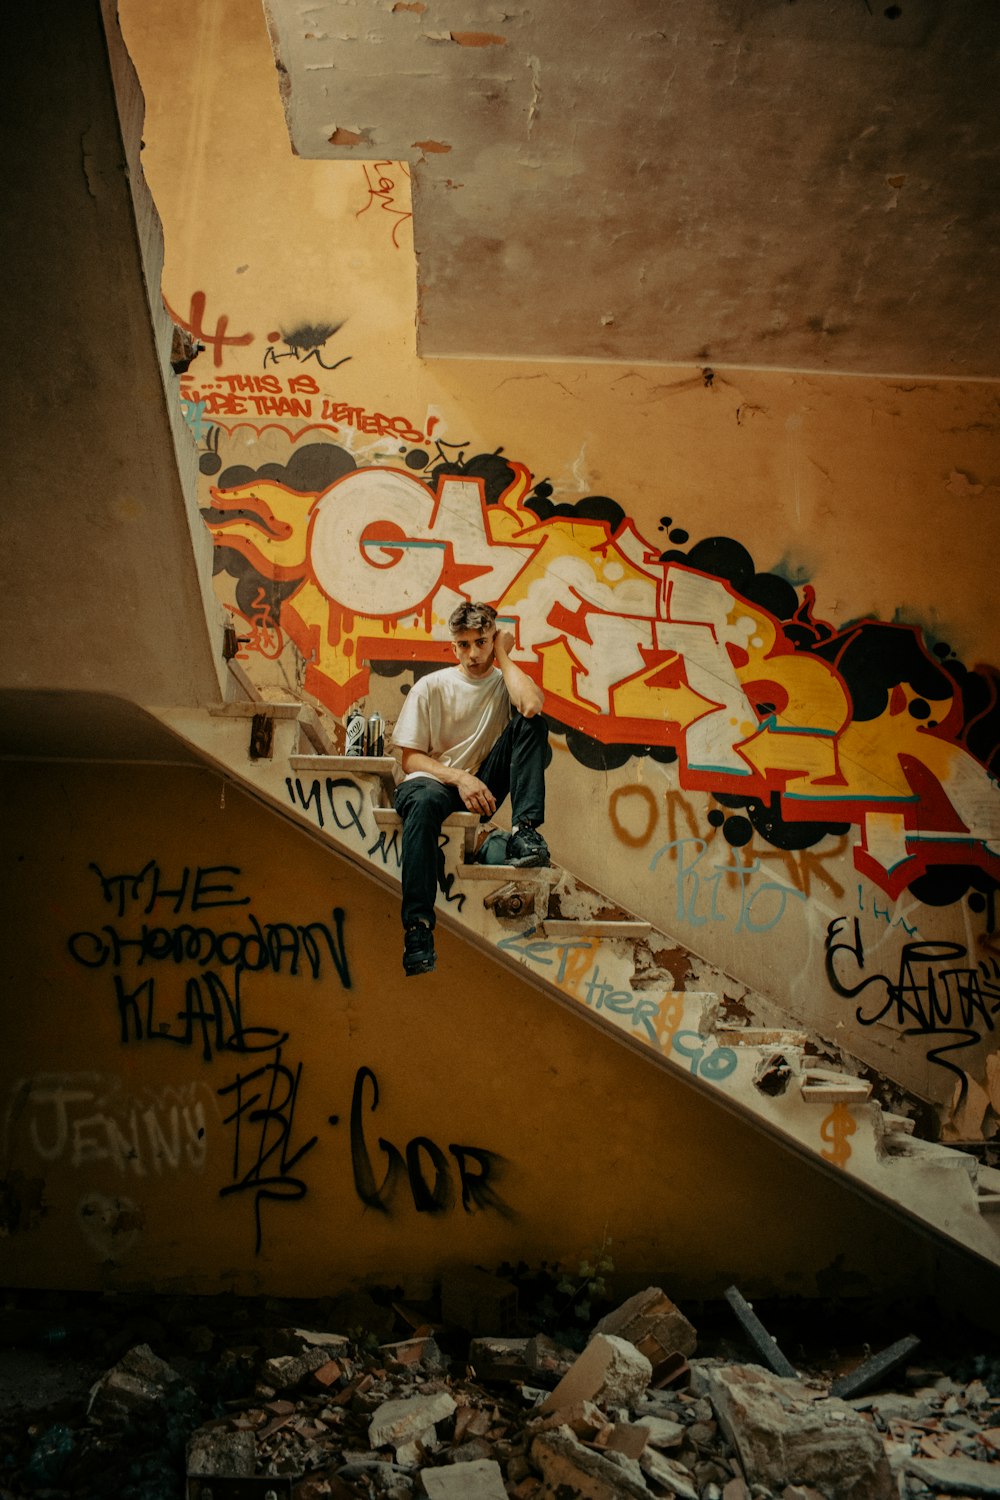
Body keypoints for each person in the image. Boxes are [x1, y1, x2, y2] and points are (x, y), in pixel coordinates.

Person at [391, 601, 550, 976]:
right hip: (433, 783)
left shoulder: (502, 683)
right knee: (426, 801)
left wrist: (503, 656)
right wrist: (460, 778)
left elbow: (529, 705)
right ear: (453, 647)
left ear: (493, 639)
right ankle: (418, 928)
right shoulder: (432, 686)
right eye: (463, 644)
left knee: (532, 725)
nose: (473, 653)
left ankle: (525, 834)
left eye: (481, 642)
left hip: (482, 787)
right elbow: (410, 760)